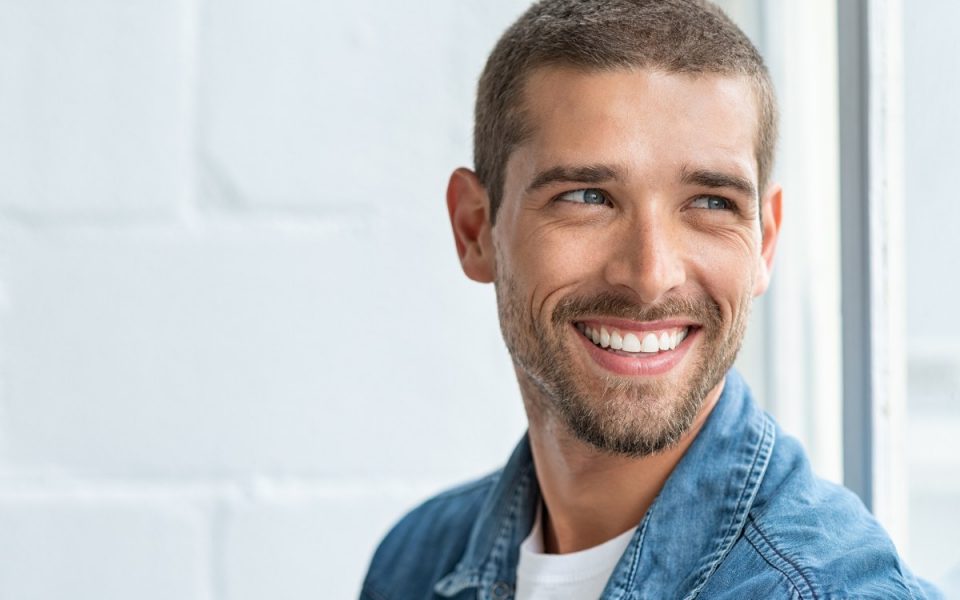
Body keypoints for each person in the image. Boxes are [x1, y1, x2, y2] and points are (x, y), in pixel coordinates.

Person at [361, 1, 940, 598]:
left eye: (712, 203)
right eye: (587, 197)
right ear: (475, 229)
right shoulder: (414, 561)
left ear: (764, 242)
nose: (651, 275)